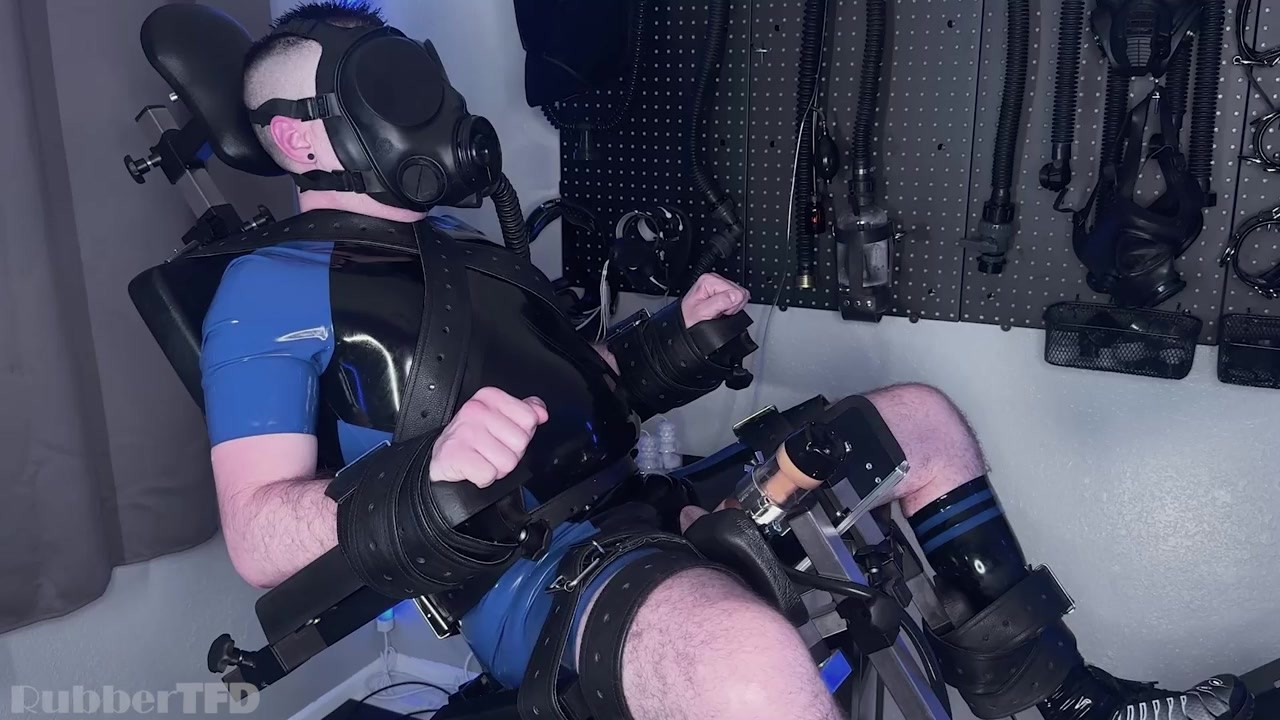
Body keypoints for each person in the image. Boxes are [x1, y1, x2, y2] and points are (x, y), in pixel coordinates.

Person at [200, 3, 1254, 720]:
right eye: (388, 88)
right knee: (743, 661)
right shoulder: (268, 286)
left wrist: (678, 344)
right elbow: (257, 536)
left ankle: (1054, 701)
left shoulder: (466, 250)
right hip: (531, 578)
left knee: (922, 423)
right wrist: (425, 481)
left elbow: (587, 394)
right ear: (299, 140)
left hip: (649, 503)